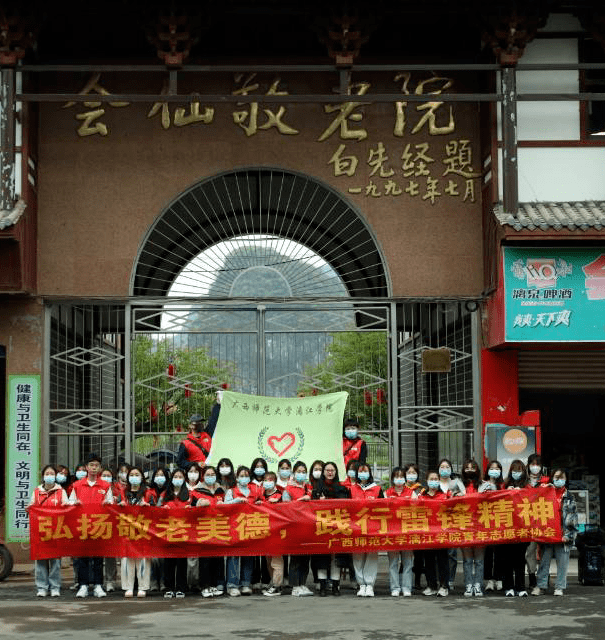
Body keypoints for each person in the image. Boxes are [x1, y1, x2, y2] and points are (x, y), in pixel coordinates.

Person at [68, 453, 113, 598]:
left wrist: (108, 504)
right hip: (82, 526)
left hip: (100, 526)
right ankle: (83, 585)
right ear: (86, 467)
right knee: (83, 558)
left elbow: (111, 505)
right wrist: (74, 504)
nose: (94, 468)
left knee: (98, 559)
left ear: (100, 468)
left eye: (97, 466)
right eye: (91, 465)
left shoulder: (106, 486)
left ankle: (99, 585)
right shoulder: (77, 485)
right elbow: (69, 504)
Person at [533, 468, 578, 596]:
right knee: (544, 562)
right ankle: (541, 586)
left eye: (562, 477)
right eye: (556, 477)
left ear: (566, 479)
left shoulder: (569, 496)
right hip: (548, 533)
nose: (559, 480)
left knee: (562, 563)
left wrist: (568, 535)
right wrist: (543, 489)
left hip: (563, 534)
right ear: (552, 478)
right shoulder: (546, 493)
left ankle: (559, 587)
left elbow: (573, 518)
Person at [27, 464, 69, 597]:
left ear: (56, 476)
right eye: (47, 474)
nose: (49, 476)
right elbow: (31, 507)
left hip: (56, 531)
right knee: (41, 560)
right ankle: (42, 587)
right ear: (43, 476)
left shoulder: (61, 492)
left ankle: (55, 586)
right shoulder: (36, 492)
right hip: (40, 532)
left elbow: (67, 509)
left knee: (55, 561)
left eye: (52, 474)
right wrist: (29, 509)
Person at [311, 461, 351, 596]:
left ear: (336, 472)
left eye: (332, 470)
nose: (329, 472)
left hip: (337, 527)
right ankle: (322, 586)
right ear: (323, 472)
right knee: (322, 557)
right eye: (327, 470)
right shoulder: (316, 489)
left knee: (336, 558)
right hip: (321, 527)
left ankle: (335, 586)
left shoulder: (342, 489)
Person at [117, 466, 153, 598]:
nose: (134, 477)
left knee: (143, 560)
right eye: (131, 475)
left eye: (137, 474)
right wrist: (120, 506)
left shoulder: (148, 493)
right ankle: (128, 587)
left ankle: (143, 587)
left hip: (143, 531)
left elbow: (156, 511)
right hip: (126, 530)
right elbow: (115, 510)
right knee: (127, 559)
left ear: (142, 477)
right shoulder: (122, 493)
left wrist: (148, 507)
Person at [223, 465, 259, 596]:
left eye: (246, 476)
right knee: (233, 556)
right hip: (234, 527)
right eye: (241, 476)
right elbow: (224, 507)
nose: (244, 478)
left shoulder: (254, 491)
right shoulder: (231, 491)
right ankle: (232, 584)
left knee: (248, 555)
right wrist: (235, 501)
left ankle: (245, 583)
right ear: (237, 478)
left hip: (249, 527)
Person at [191, 465, 225, 598]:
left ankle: (214, 585)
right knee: (205, 559)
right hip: (204, 528)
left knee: (217, 558)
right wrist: (199, 504)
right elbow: (192, 507)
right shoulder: (196, 491)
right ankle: (204, 586)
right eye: (207, 475)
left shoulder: (220, 490)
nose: (210, 477)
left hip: (219, 527)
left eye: (212, 474)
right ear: (203, 476)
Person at [385, 466, 420, 597]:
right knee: (393, 562)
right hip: (392, 532)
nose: (399, 479)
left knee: (407, 562)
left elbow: (417, 510)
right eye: (396, 477)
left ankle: (406, 587)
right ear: (392, 479)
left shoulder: (411, 493)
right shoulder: (386, 493)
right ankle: (394, 587)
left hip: (407, 531)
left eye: (401, 477)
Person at [350, 463, 383, 597]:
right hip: (356, 528)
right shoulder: (352, 489)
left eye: (365, 471)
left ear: (369, 473)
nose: (363, 473)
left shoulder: (377, 490)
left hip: (372, 529)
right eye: (360, 471)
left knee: (371, 556)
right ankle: (361, 584)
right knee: (357, 557)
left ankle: (369, 585)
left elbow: (383, 508)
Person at [282, 461, 313, 596]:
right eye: (299, 471)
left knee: (306, 558)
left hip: (308, 527)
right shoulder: (288, 489)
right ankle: (295, 586)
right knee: (295, 558)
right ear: (294, 473)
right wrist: (301, 500)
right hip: (294, 527)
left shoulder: (309, 487)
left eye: (303, 471)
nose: (301, 474)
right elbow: (285, 508)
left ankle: (303, 584)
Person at [158, 469, 190, 598]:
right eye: (175, 476)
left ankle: (181, 587)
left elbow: (197, 507)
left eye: (180, 477)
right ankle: (169, 587)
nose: (178, 479)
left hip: (183, 533)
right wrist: (162, 509)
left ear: (184, 479)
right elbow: (156, 510)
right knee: (169, 562)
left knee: (182, 562)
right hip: (168, 533)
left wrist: (192, 509)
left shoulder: (189, 494)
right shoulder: (165, 494)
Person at [419, 470, 449, 597]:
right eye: (431, 479)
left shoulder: (445, 495)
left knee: (442, 560)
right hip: (427, 533)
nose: (434, 481)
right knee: (429, 560)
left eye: (436, 479)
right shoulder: (422, 496)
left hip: (441, 533)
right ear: (426, 480)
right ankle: (431, 585)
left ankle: (444, 586)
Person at [502, 459, 529, 597]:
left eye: (519, 470)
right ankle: (508, 587)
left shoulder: (527, 486)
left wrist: (522, 492)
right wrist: (507, 492)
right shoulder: (505, 484)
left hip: (522, 529)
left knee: (520, 559)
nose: (516, 473)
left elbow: (534, 501)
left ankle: (520, 587)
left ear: (523, 471)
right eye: (514, 470)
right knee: (507, 559)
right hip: (507, 528)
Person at [438, 458, 465, 589]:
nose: (445, 469)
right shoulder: (435, 483)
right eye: (442, 467)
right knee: (440, 553)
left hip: (453, 520)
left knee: (452, 553)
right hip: (438, 522)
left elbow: (466, 497)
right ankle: (441, 579)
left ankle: (451, 580)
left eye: (447, 467)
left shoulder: (456, 483)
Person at [460, 459, 485, 597]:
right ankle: (469, 585)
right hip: (464, 526)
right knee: (468, 560)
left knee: (479, 560)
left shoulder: (484, 485)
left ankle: (478, 585)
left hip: (480, 525)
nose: (470, 470)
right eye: (467, 467)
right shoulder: (458, 485)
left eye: (472, 467)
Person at [479, 460, 505, 592]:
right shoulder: (482, 484)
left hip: (501, 522)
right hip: (487, 522)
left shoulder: (503, 485)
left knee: (500, 552)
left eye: (497, 468)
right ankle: (489, 580)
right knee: (488, 553)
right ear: (487, 470)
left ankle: (499, 579)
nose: (494, 471)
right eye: (492, 468)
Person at [260, 471, 285, 597]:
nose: (268, 481)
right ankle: (273, 582)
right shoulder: (261, 495)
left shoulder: (279, 496)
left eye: (271, 479)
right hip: (264, 531)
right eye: (266, 479)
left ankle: (278, 585)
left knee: (276, 560)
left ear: (275, 481)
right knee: (268, 560)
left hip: (276, 532)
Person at [525, 453, 548, 589]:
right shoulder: (524, 482)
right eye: (532, 464)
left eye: (537, 464)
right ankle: (532, 577)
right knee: (530, 551)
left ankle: (544, 577)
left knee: (546, 551)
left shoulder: (546, 481)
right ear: (528, 466)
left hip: (545, 521)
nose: (535, 467)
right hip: (529, 522)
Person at [100, 466, 118, 593]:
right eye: (104, 475)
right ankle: (97, 581)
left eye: (108, 475)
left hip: (113, 526)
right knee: (97, 555)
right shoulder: (96, 487)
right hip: (98, 523)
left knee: (110, 555)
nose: (106, 478)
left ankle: (110, 580)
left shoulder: (117, 490)